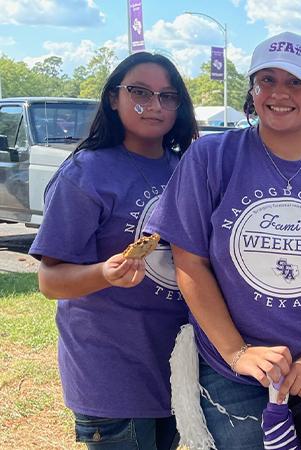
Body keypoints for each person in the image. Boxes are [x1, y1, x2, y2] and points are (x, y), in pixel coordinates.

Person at [144, 31, 301, 449]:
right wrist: (238, 353)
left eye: (295, 82)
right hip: (237, 375)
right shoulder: (211, 158)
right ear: (252, 90)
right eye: (267, 80)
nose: (280, 93)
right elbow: (190, 263)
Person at [29, 52, 198, 449]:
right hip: (112, 373)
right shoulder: (86, 173)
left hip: (176, 366)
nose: (155, 105)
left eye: (168, 96)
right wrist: (103, 273)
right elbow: (49, 280)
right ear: (112, 98)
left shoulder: (186, 169)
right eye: (140, 92)